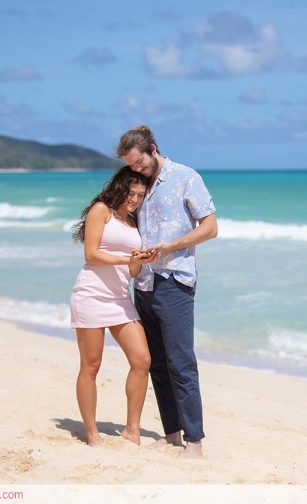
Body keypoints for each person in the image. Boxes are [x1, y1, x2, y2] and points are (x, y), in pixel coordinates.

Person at [117, 125, 218, 458]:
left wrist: (170, 246)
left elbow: (210, 227)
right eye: (131, 166)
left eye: (139, 164)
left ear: (154, 149)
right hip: (143, 283)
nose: (136, 171)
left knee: (181, 362)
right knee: (157, 363)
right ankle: (171, 433)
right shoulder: (139, 184)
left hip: (175, 281)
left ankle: (195, 440)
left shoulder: (186, 177)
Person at [69, 166, 154, 447]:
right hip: (91, 294)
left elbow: (131, 272)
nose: (135, 199)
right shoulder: (101, 210)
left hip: (120, 298)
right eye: (131, 193)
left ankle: (132, 429)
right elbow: (91, 254)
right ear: (120, 188)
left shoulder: (134, 222)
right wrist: (123, 258)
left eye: (141, 195)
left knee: (142, 360)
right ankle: (92, 433)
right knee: (91, 366)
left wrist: (139, 260)